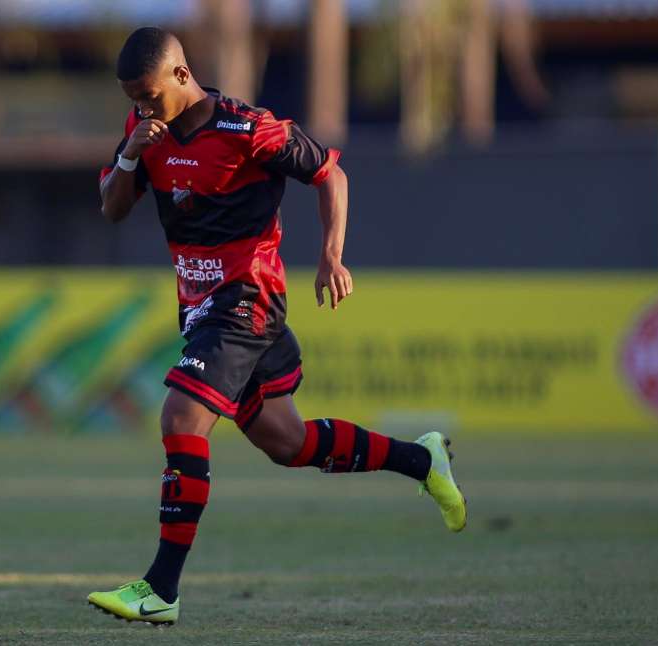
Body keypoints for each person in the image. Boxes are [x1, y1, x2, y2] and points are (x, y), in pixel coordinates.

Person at [88, 27, 466, 626]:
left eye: (149, 95)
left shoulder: (246, 128)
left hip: (248, 300)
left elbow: (330, 175)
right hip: (202, 309)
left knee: (180, 418)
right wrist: (132, 151)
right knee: (288, 443)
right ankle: (422, 460)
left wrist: (331, 255)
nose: (142, 108)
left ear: (182, 75)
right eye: (132, 98)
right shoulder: (144, 131)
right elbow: (112, 208)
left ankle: (160, 590)